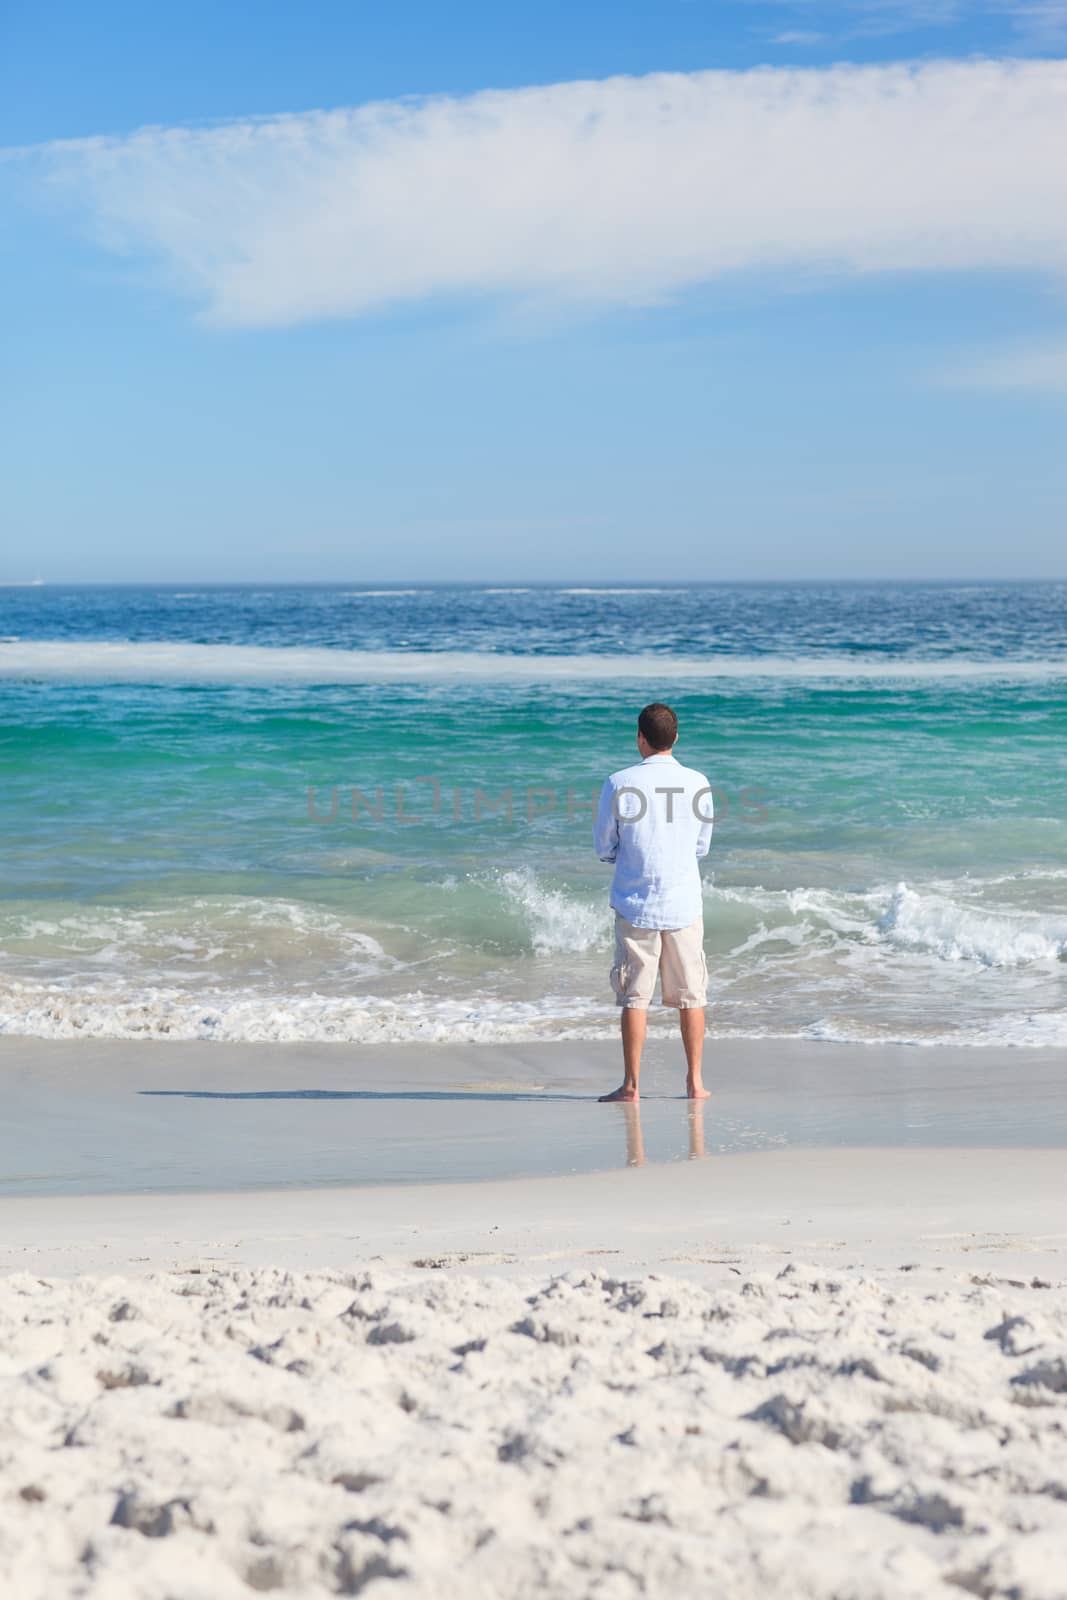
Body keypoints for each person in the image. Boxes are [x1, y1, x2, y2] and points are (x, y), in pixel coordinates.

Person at [593, 702, 713, 1101]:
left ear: (640, 738)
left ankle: (631, 1085)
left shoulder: (619, 782)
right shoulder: (698, 782)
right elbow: (702, 845)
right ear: (675, 739)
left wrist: (622, 856)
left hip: (636, 901)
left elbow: (604, 846)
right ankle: (694, 1082)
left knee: (635, 996)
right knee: (691, 994)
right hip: (683, 902)